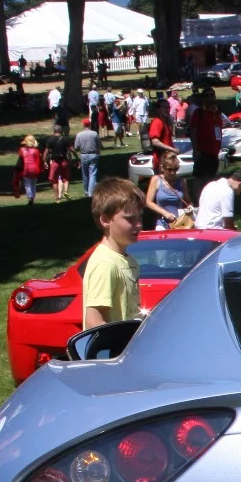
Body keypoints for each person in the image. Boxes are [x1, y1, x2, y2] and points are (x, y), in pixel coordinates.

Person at [82, 178, 146, 329]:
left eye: (139, 217)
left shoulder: (127, 260)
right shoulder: (105, 264)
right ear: (105, 220)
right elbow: (94, 322)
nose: (139, 224)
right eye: (130, 219)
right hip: (113, 352)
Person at [145, 152, 190, 230]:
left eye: (175, 169)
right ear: (162, 168)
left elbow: (188, 201)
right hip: (162, 222)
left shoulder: (182, 181)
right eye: (169, 169)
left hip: (180, 223)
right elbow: (148, 202)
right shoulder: (156, 180)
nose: (172, 172)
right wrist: (165, 213)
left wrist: (189, 207)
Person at [73, 116, 101, 196]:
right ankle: (90, 192)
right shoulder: (94, 134)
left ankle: (86, 190)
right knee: (93, 173)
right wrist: (98, 152)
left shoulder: (79, 135)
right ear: (89, 125)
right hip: (93, 154)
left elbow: (76, 147)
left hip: (84, 155)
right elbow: (99, 144)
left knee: (85, 174)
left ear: (83, 125)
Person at [45, 123, 72, 202]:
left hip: (55, 162)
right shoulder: (65, 139)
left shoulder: (50, 139)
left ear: (54, 130)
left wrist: (44, 162)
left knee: (54, 180)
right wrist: (72, 159)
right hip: (64, 161)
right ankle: (66, 191)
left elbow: (46, 152)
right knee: (66, 178)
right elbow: (70, 150)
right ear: (61, 130)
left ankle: (57, 197)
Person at [17, 134, 42, 204]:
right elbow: (39, 161)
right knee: (33, 184)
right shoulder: (36, 151)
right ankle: (33, 198)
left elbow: (20, 160)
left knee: (27, 185)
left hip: (26, 170)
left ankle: (30, 197)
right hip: (35, 170)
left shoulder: (22, 150)